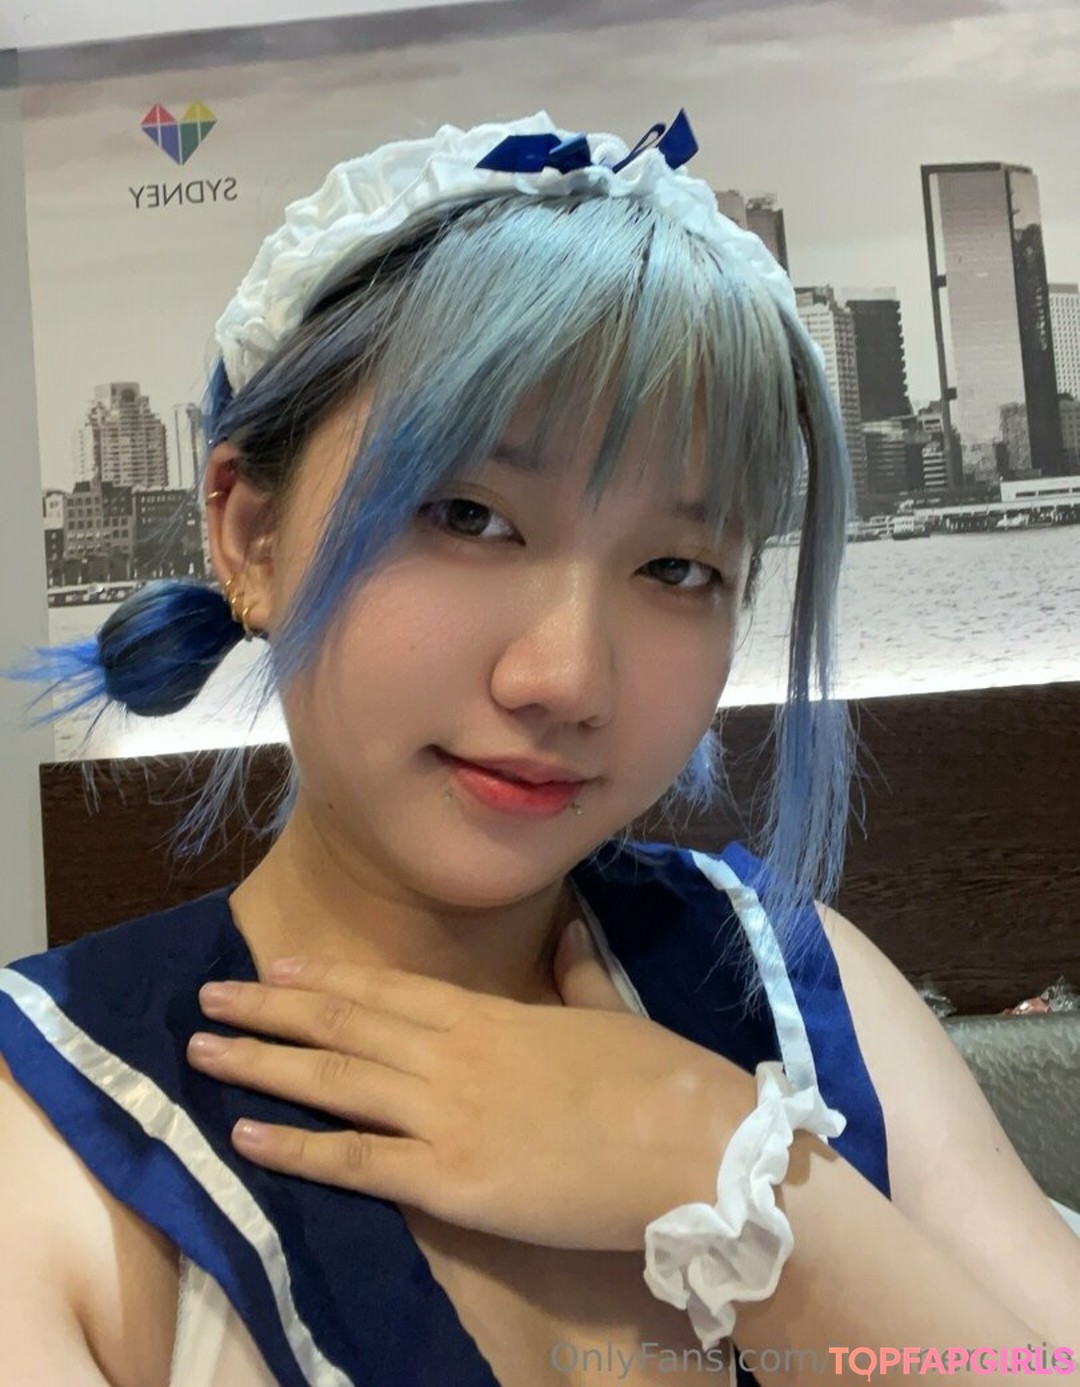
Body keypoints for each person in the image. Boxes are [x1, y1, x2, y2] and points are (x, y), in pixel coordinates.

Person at [0, 111, 1077, 1387]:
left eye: (677, 567)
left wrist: (725, 1175)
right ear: (250, 536)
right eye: (468, 516)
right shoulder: (52, 1142)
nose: (566, 679)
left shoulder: (791, 980)